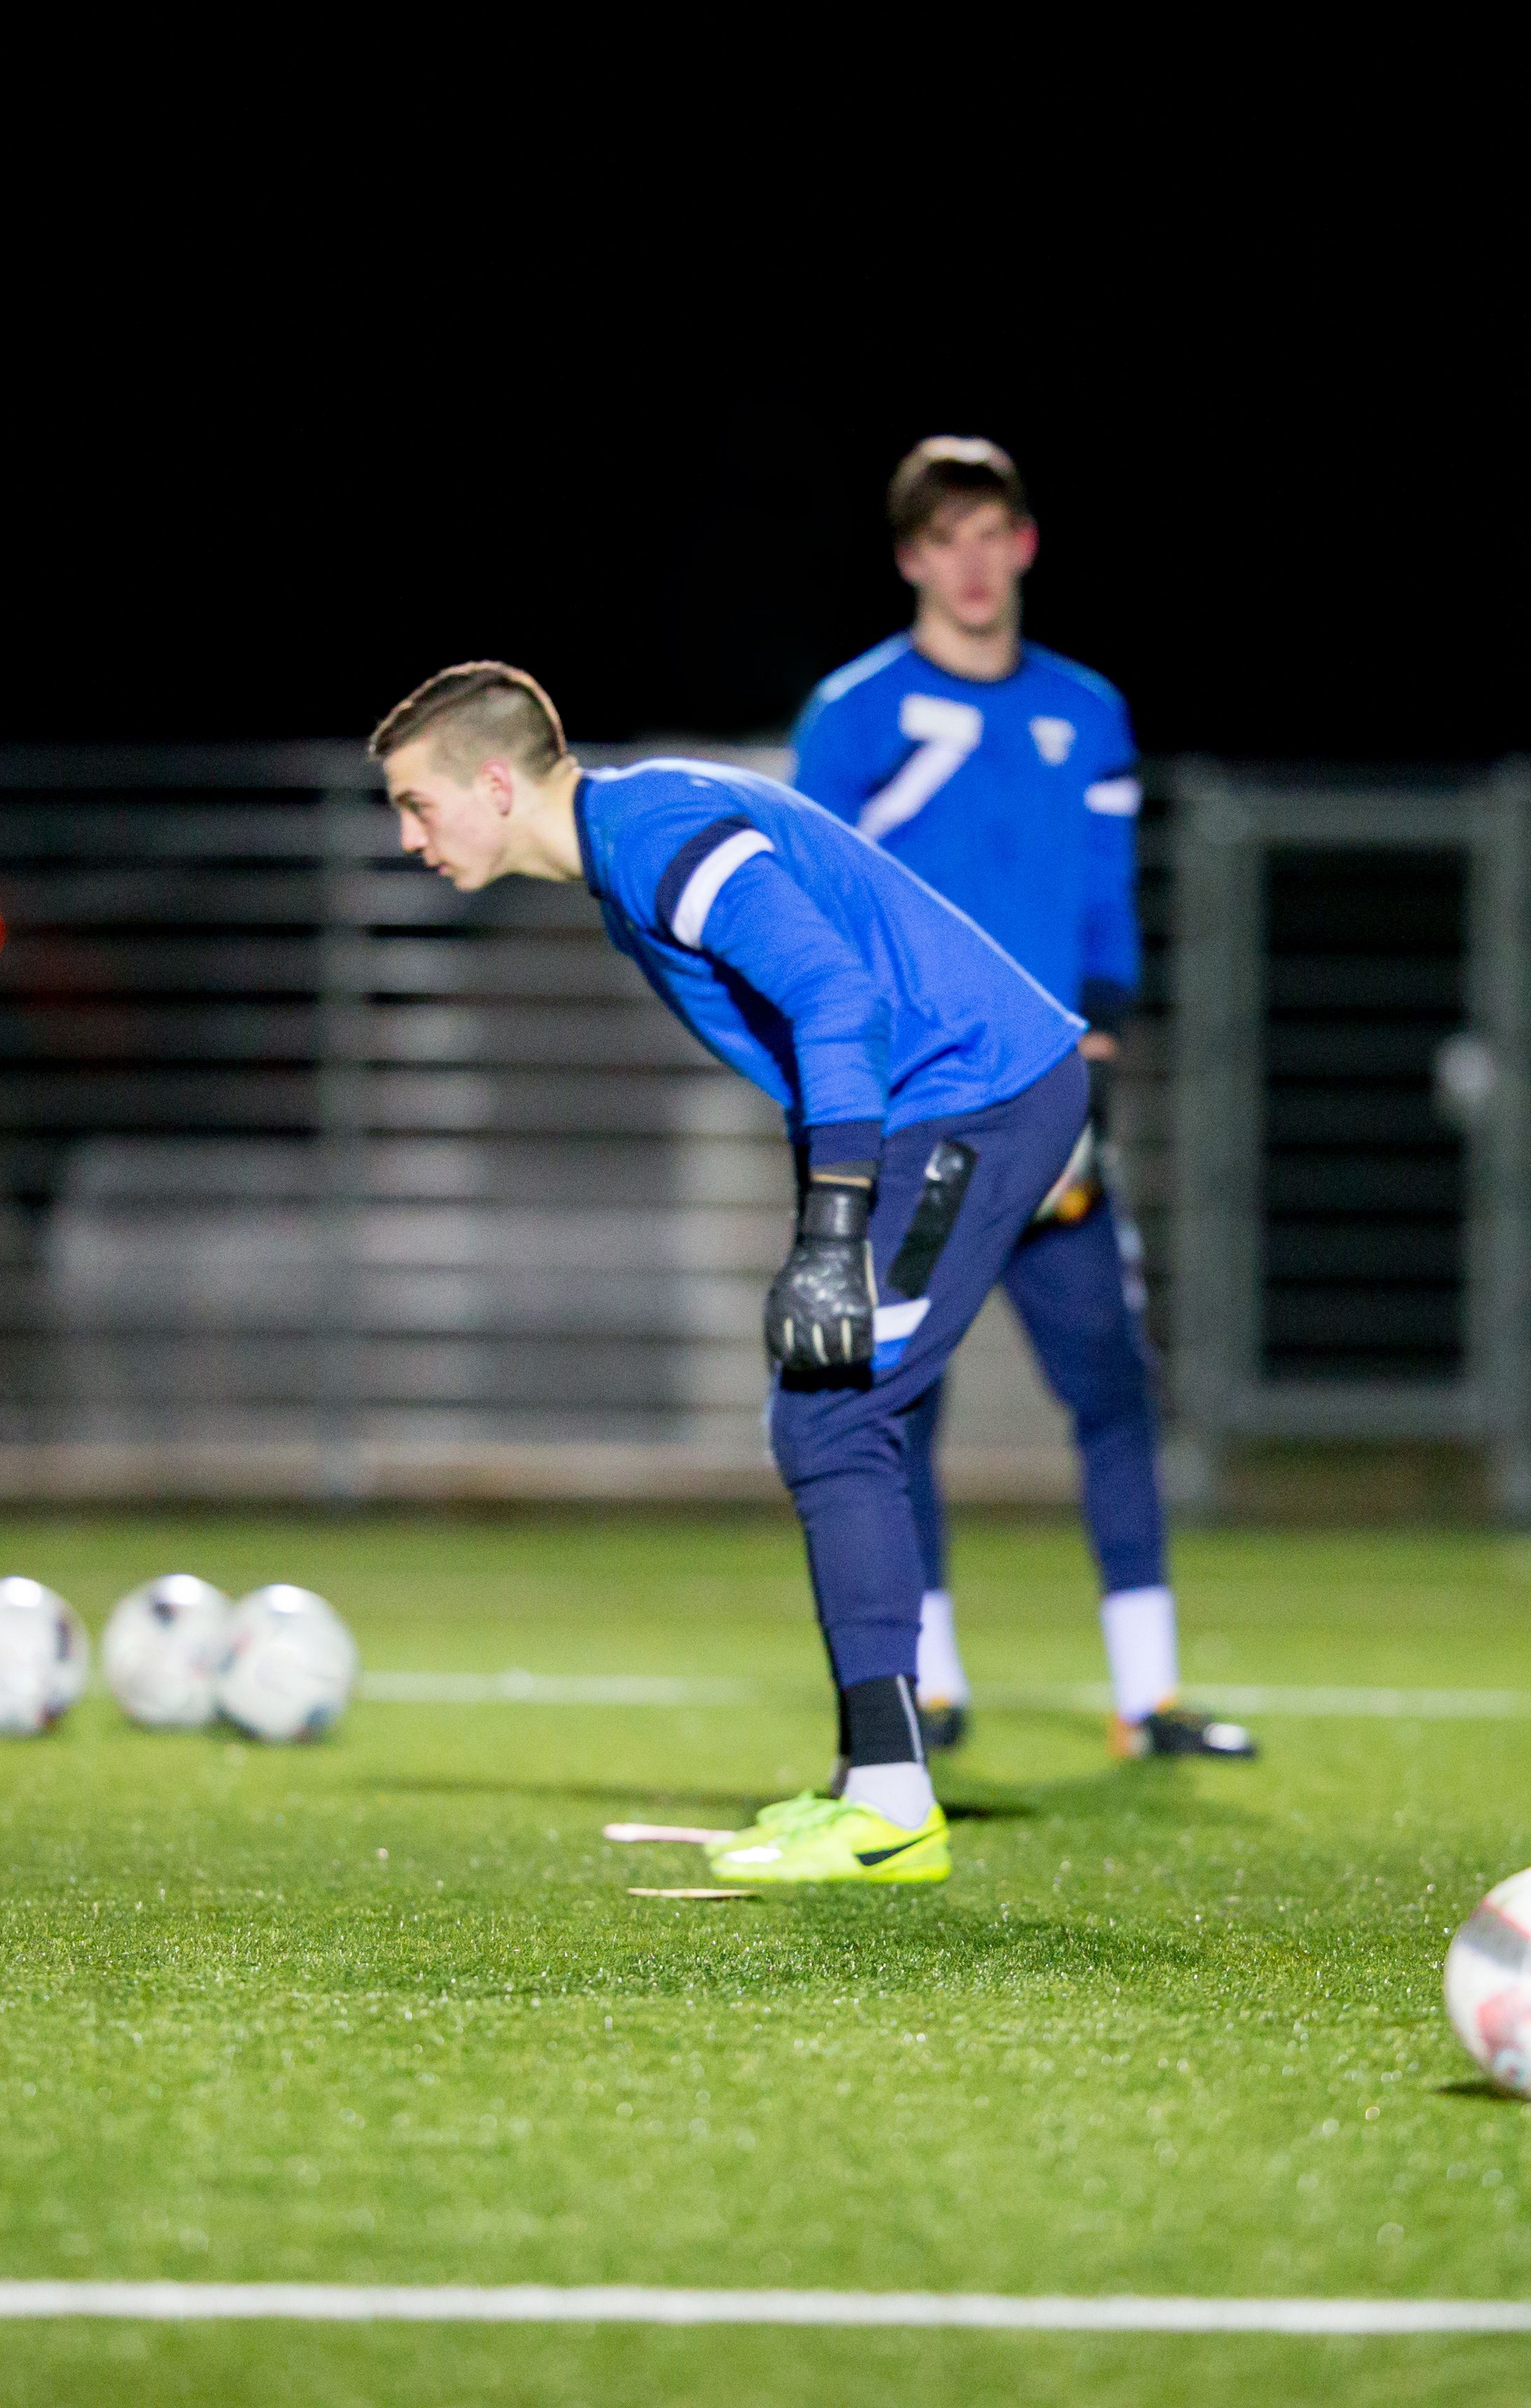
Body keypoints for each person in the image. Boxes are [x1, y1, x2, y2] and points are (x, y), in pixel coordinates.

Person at [376, 662, 1095, 1885]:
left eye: (416, 803)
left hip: (977, 1098)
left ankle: (892, 1803)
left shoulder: (655, 836)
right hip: (953, 1102)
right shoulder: (631, 845)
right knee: (828, 1411)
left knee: (831, 1414)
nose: (408, 837)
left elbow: (833, 995)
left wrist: (832, 1230)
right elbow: (805, 1032)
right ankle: (873, 1776)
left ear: (495, 782)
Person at [789, 436, 1247, 1763]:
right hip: (925, 1118)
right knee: (899, 1394)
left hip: (1052, 1114)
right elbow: (815, 916)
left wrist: (1100, 1040)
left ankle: (1148, 1696)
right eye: (947, 539)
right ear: (910, 558)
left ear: (1026, 543)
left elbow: (1105, 902)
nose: (974, 562)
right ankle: (924, 1684)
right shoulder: (855, 713)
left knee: (1111, 1385)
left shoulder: (1087, 709)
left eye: (994, 532)